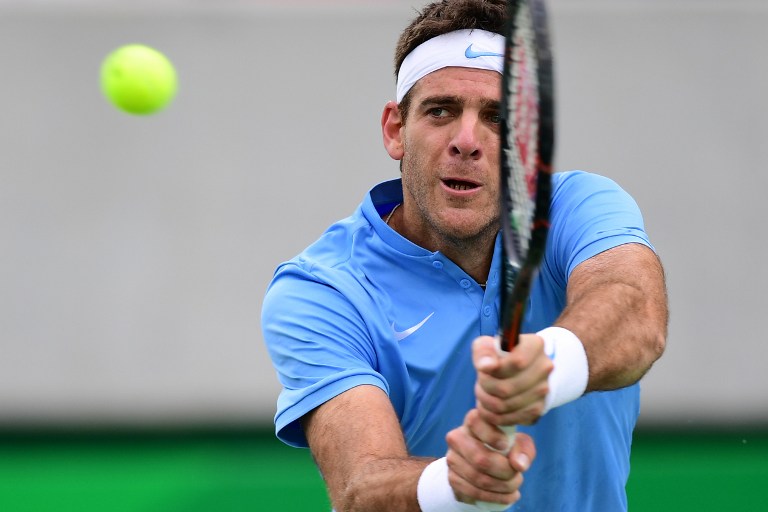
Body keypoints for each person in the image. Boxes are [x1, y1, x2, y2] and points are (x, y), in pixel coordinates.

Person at [261, 0, 668, 510]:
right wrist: (452, 482)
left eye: (498, 118)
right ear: (395, 130)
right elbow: (359, 485)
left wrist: (545, 366)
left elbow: (635, 311)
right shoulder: (321, 289)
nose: (467, 141)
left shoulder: (578, 206)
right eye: (441, 111)